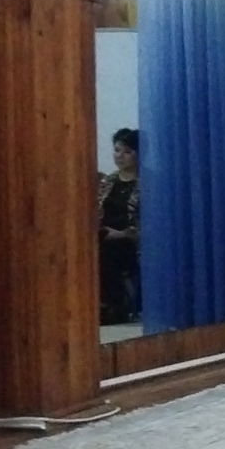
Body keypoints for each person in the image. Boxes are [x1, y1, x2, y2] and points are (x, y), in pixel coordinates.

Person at [98, 128, 141, 325]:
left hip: (130, 240)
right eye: (117, 150)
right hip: (104, 234)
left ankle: (114, 306)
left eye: (127, 152)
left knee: (107, 250)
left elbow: (151, 225)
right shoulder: (108, 181)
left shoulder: (147, 184)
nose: (119, 156)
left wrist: (123, 233)